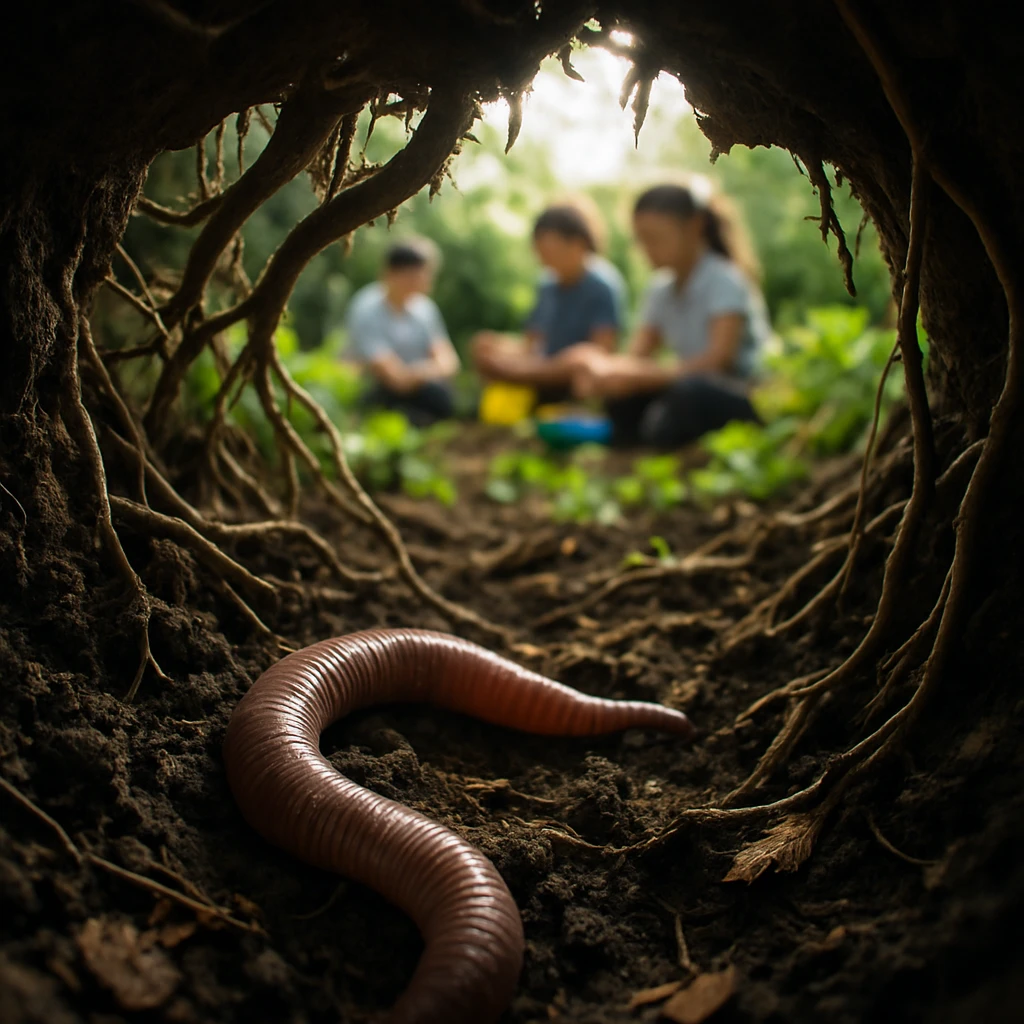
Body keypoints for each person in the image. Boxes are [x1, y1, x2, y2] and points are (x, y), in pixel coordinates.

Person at [567, 178, 770, 448]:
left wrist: (644, 376)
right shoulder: (660, 290)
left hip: (736, 393)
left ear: (694, 227)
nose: (646, 250)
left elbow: (718, 363)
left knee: (690, 393)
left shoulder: (725, 280)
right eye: (641, 241)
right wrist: (607, 374)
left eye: (655, 238)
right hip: (686, 384)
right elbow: (637, 356)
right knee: (623, 398)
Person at [471, 201, 625, 407]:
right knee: (484, 344)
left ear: (578, 244)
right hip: (542, 364)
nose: (545, 261)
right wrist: (497, 349)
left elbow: (602, 350)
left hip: (573, 373)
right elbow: (531, 342)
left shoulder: (603, 284)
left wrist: (547, 366)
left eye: (551, 252)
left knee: (581, 361)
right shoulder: (546, 285)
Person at [345, 238, 459, 426]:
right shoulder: (366, 307)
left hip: (417, 386)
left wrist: (419, 373)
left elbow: (449, 362)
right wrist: (427, 370)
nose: (426, 279)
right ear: (393, 273)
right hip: (377, 387)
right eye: (419, 274)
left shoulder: (425, 309)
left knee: (442, 398)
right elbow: (392, 376)